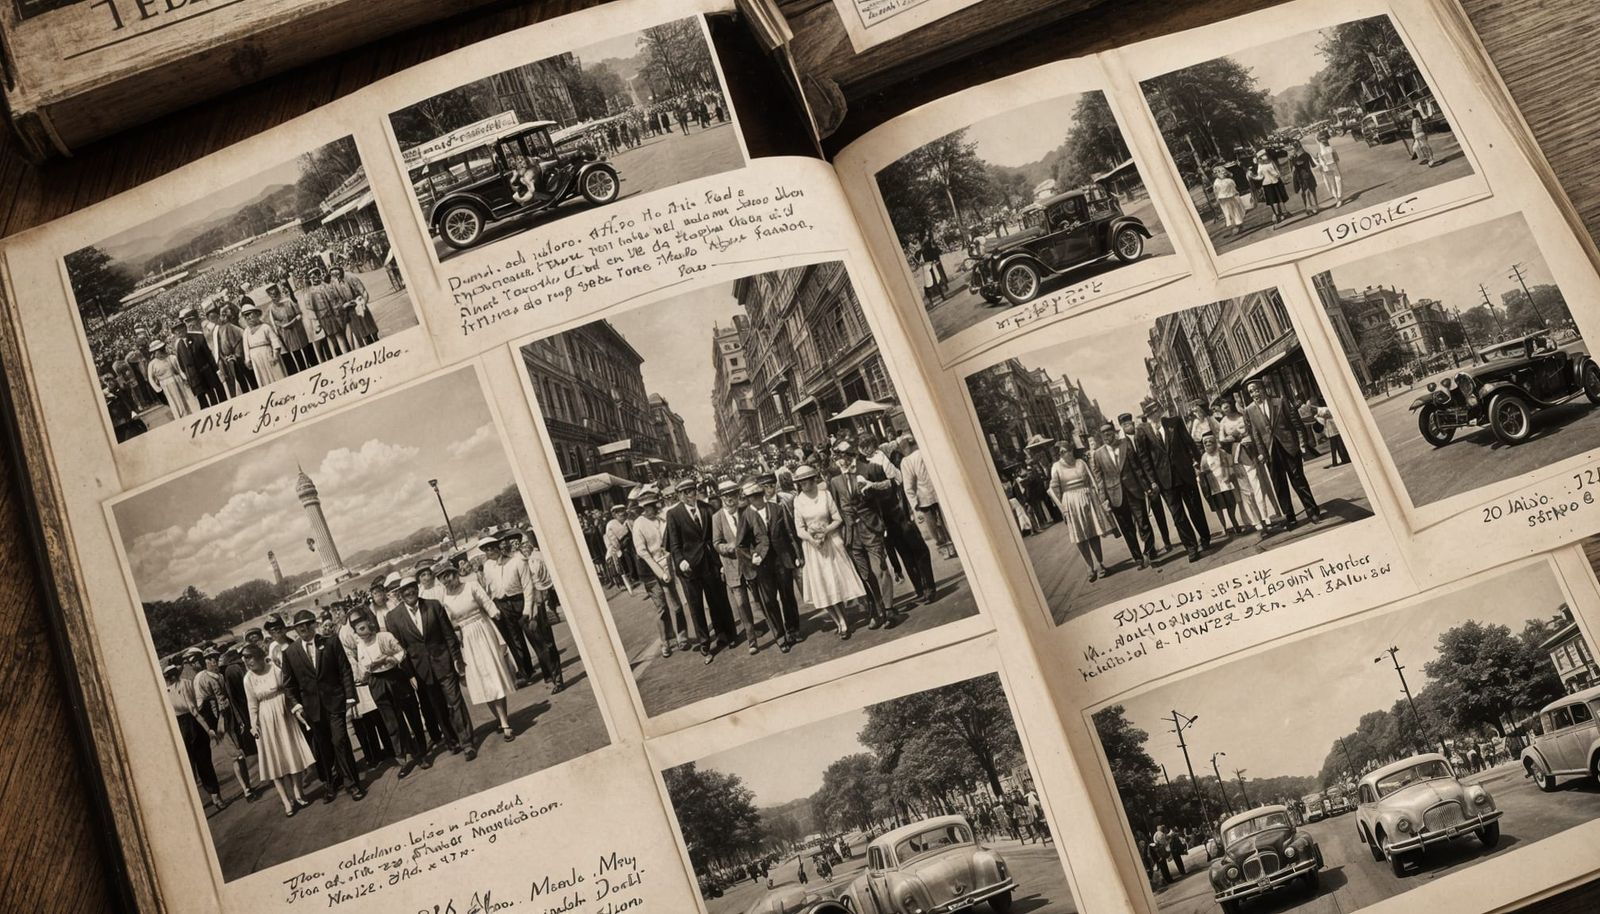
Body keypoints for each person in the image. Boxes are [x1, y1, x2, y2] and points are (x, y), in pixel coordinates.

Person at [280, 609, 365, 803]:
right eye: (299, 627)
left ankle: (352, 784)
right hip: (311, 710)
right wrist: (296, 706)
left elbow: (344, 670)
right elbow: (288, 684)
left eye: (306, 625)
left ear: (314, 625)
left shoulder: (331, 642)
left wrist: (350, 697)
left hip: (335, 703)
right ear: (295, 630)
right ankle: (330, 784)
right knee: (323, 748)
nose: (303, 630)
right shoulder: (291, 653)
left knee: (340, 741)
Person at [385, 577, 471, 759]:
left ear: (417, 588)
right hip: (420, 670)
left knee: (455, 702)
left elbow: (449, 635)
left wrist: (457, 659)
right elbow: (399, 648)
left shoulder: (433, 605)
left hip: (443, 661)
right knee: (437, 707)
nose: (409, 592)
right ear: (400, 594)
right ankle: (451, 740)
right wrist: (409, 675)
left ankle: (467, 742)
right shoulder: (393, 618)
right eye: (405, 590)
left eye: (412, 588)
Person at [433, 563, 518, 743]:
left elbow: (486, 602)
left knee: (494, 675)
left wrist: (495, 613)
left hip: (483, 631)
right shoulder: (443, 599)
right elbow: (446, 622)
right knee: (482, 681)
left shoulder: (471, 586)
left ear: (455, 574)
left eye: (449, 575)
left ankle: (504, 722)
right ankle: (500, 720)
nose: (447, 579)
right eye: (442, 577)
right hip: (465, 640)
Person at [346, 604, 429, 777]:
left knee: (410, 714)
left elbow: (401, 653)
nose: (360, 627)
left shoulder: (384, 636)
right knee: (392, 722)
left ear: (369, 621)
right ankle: (404, 758)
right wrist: (367, 670)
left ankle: (421, 753)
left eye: (362, 621)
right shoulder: (360, 645)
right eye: (355, 625)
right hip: (377, 683)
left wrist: (391, 659)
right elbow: (363, 667)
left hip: (394, 678)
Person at [664, 477, 739, 661]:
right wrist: (680, 560)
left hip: (710, 562)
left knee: (719, 600)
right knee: (696, 606)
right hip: (689, 568)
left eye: (692, 491)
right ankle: (705, 643)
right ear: (680, 495)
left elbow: (715, 536)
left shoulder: (707, 508)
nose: (690, 495)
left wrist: (720, 562)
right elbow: (674, 543)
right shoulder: (673, 514)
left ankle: (727, 634)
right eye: (686, 492)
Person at [829, 440, 898, 628]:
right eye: (837, 457)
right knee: (865, 575)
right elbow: (837, 508)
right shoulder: (835, 480)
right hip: (852, 534)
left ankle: (890, 610)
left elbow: (890, 489)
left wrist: (872, 486)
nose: (840, 460)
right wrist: (844, 533)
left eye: (843, 456)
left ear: (852, 455)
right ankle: (878, 609)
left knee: (881, 569)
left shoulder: (870, 469)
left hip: (872, 527)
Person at [792, 464, 866, 640]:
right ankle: (839, 621)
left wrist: (825, 531)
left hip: (831, 543)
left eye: (806, 481)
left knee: (834, 582)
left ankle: (843, 620)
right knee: (822, 585)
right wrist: (812, 538)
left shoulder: (825, 495)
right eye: (800, 482)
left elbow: (838, 518)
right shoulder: (798, 501)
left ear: (813, 480)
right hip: (813, 549)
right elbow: (799, 529)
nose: (804, 485)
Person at [241, 645, 315, 817]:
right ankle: (285, 801)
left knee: (292, 753)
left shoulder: (274, 669)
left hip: (284, 716)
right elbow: (252, 704)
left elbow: (288, 690)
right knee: (274, 760)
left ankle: (298, 793)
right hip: (265, 720)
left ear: (260, 657)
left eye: (251, 657)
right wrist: (254, 725)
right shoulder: (248, 679)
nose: (248, 661)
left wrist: (295, 708)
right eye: (245, 659)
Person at [1134, 401, 1210, 562]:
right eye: (1149, 413)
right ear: (1146, 416)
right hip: (1164, 481)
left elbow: (1189, 443)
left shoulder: (1174, 422)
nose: (1154, 415)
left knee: (1195, 509)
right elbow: (1144, 459)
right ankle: (1191, 548)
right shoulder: (1142, 432)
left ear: (1160, 410)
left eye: (1156, 411)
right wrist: (1152, 481)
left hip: (1185, 474)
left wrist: (1198, 463)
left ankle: (1205, 538)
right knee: (1178, 516)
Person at [1245, 380, 1322, 528]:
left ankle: (1312, 511)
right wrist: (1262, 453)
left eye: (1256, 390)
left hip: (1289, 446)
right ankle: (1290, 517)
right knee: (1279, 485)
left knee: (1298, 479)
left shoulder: (1279, 401)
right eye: (1251, 392)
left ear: (1263, 389)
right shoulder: (1249, 410)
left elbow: (1296, 423)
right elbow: (1255, 434)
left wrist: (1302, 443)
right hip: (1270, 451)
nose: (1255, 394)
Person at [739, 479, 805, 649]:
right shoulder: (746, 516)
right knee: (769, 601)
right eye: (752, 497)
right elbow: (741, 545)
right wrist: (753, 556)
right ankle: (780, 636)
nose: (757, 499)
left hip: (782, 559)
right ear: (747, 499)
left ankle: (793, 630)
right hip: (763, 564)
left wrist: (796, 555)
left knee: (788, 596)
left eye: (758, 495)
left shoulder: (777, 509)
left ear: (762, 495)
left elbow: (790, 533)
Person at [632, 488, 690, 657]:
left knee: (676, 604)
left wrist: (669, 563)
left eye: (652, 505)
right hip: (650, 571)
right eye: (647, 506)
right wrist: (658, 570)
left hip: (668, 566)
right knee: (661, 607)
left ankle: (682, 636)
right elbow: (642, 552)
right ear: (642, 508)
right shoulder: (639, 524)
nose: (651, 509)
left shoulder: (662, 519)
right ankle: (666, 642)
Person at [1092, 418, 1156, 569]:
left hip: (1134, 491)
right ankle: (1138, 558)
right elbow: (1099, 479)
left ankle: (1150, 552)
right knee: (1127, 529)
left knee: (1144, 523)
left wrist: (1146, 486)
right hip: (1115, 496)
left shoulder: (1125, 444)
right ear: (1101, 436)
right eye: (1104, 433)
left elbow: (1137, 467)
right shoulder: (1098, 455)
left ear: (1114, 432)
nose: (1107, 434)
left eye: (1109, 431)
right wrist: (1104, 499)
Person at [164, 661, 226, 813]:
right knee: (194, 765)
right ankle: (207, 799)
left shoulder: (181, 685)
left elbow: (193, 709)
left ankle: (214, 797)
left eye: (169, 676)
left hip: (189, 725)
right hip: (183, 725)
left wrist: (207, 729)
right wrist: (208, 729)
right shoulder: (168, 688)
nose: (169, 679)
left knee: (200, 763)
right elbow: (190, 709)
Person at [1047, 442, 1112, 581]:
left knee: (1093, 532)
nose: (1067, 454)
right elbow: (1053, 490)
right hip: (1071, 502)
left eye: (1069, 450)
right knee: (1079, 536)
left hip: (1088, 499)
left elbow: (1092, 481)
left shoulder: (1081, 462)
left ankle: (1100, 564)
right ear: (1059, 454)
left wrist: (1099, 500)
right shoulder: (1056, 467)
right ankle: (1089, 567)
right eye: (1063, 452)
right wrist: (1063, 509)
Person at [479, 535, 537, 685]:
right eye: (486, 549)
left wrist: (527, 607)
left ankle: (546, 668)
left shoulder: (514, 560)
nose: (489, 550)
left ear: (498, 546)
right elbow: (489, 588)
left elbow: (527, 585)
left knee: (533, 635)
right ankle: (525, 672)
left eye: (492, 547)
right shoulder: (487, 566)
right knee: (514, 639)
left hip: (518, 601)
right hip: (502, 604)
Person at [712, 479, 762, 654]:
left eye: (732, 494)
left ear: (737, 494)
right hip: (732, 566)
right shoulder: (717, 518)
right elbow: (716, 543)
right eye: (725, 495)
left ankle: (776, 626)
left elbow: (756, 535)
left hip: (750, 563)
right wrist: (728, 547)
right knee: (742, 604)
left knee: (761, 598)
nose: (729, 498)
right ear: (721, 497)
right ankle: (752, 640)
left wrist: (754, 551)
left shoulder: (746, 511)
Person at [899, 434, 953, 560]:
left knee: (933, 524)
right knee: (942, 521)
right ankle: (950, 545)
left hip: (923, 497)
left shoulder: (907, 461)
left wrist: (914, 504)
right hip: (935, 493)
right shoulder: (924, 452)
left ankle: (944, 547)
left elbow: (908, 484)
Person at [175, 307, 227, 408]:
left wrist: (216, 369)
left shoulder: (203, 330)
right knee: (204, 399)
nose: (190, 324)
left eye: (190, 320)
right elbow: (181, 364)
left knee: (217, 393)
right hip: (195, 375)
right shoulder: (179, 344)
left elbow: (208, 353)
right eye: (187, 321)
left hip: (210, 367)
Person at [1196, 433, 1242, 535]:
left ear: (1215, 442)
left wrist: (1230, 476)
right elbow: (1202, 473)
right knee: (1218, 508)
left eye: (1210, 442)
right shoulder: (1204, 457)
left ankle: (1235, 523)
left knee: (1231, 505)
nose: (1208, 444)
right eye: (1205, 442)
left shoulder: (1222, 452)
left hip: (1226, 484)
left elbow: (1231, 465)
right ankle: (1224, 528)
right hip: (1214, 487)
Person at [266, 283, 314, 375]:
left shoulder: (288, 301)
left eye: (276, 294)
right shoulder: (271, 308)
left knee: (307, 350)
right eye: (272, 295)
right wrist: (285, 325)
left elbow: (299, 313)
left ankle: (313, 367)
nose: (275, 297)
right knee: (297, 355)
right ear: (270, 296)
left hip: (298, 330)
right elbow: (276, 323)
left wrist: (296, 319)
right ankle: (303, 373)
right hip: (287, 334)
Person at [145, 340, 198, 418]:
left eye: (160, 350)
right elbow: (150, 378)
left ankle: (188, 414)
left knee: (183, 399)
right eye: (156, 351)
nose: (159, 353)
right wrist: (158, 389)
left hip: (176, 380)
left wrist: (185, 378)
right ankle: (178, 417)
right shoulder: (152, 364)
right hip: (165, 385)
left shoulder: (171, 358)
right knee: (173, 402)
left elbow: (179, 370)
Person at [1250, 149, 1289, 225]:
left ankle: (1278, 214)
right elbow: (1277, 173)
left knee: (1273, 200)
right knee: (1278, 198)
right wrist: (1276, 175)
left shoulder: (1261, 165)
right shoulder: (1269, 163)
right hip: (1274, 182)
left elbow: (1260, 177)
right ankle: (1282, 213)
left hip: (1267, 184)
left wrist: (1253, 177)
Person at [1212, 166, 1246, 236]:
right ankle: (1235, 225)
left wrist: (1235, 195)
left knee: (1235, 211)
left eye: (1223, 172)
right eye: (1220, 172)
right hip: (1224, 200)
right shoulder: (1217, 183)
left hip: (1232, 198)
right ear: (1216, 174)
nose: (1222, 174)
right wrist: (1217, 199)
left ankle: (1238, 225)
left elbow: (1234, 188)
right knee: (1228, 212)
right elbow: (1216, 192)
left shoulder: (1229, 181)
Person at [1290, 138, 1320, 216]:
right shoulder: (1293, 156)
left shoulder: (1304, 154)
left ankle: (1314, 207)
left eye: (1296, 144)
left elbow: (1302, 164)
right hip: (1299, 176)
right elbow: (1292, 167)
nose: (1295, 146)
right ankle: (1308, 208)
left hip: (1306, 174)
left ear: (1299, 144)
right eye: (1294, 144)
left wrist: (1317, 159)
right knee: (1304, 193)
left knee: (1310, 191)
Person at [1314, 129, 1344, 206]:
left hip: (1328, 164)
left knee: (1333, 182)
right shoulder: (1327, 148)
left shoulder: (1324, 148)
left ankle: (1338, 197)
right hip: (1329, 164)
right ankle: (1338, 197)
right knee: (1335, 181)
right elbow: (1336, 159)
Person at [1316, 399, 1350, 467]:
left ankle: (1337, 461)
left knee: (1335, 447)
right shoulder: (1327, 409)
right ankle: (1344, 459)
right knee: (1340, 445)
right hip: (1334, 430)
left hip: (1331, 431)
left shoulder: (1323, 410)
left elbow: (1322, 416)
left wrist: (1317, 416)